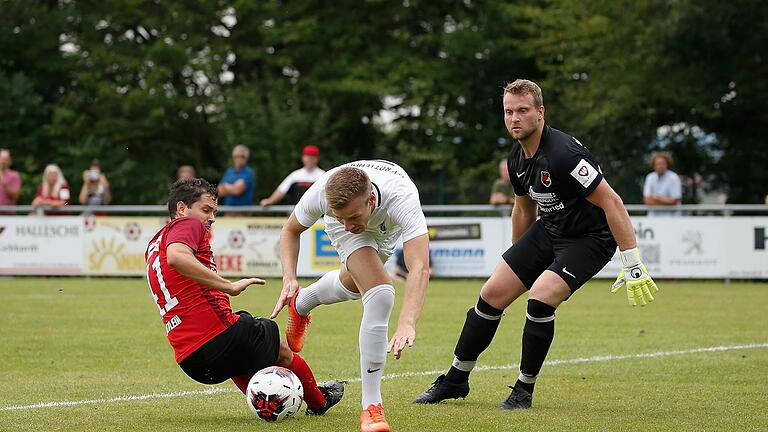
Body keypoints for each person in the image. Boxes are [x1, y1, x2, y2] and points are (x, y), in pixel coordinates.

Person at [413, 79, 658, 410]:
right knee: (491, 294)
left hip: (589, 239)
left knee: (540, 299)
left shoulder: (565, 155)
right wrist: (519, 259)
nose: (514, 118)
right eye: (508, 112)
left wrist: (632, 261)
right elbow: (523, 207)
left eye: (523, 111)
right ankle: (456, 380)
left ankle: (523, 391)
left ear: (540, 113)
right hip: (550, 229)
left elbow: (613, 202)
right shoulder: (516, 158)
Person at [145, 178, 343, 416]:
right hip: (217, 338)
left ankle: (266, 406)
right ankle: (319, 401)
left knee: (239, 353)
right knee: (275, 341)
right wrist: (228, 286)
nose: (212, 218)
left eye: (215, 212)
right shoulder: (188, 224)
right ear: (181, 208)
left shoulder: (154, 243)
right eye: (206, 210)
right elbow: (177, 257)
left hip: (191, 359)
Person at [271, 160, 431, 432]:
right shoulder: (323, 192)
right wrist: (289, 278)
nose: (346, 225)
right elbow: (290, 230)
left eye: (352, 217)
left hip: (384, 226)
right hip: (366, 221)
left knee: (356, 282)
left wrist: (407, 321)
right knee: (381, 292)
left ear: (370, 199)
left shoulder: (401, 197)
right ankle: (372, 407)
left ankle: (303, 302)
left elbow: (420, 266)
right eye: (339, 216)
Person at [260, 145, 325, 206]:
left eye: (312, 157)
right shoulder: (295, 175)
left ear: (317, 159)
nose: (309, 160)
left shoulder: (323, 175)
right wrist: (270, 201)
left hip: (318, 215)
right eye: (308, 157)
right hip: (297, 215)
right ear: (303, 158)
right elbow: (281, 190)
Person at [643, 151, 682, 216]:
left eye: (663, 164)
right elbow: (647, 200)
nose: (660, 166)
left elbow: (675, 201)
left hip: (672, 218)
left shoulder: (674, 177)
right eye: (658, 164)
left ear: (667, 164)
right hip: (653, 218)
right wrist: (666, 201)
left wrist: (657, 198)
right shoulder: (650, 177)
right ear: (654, 165)